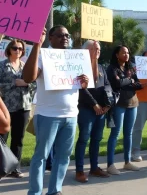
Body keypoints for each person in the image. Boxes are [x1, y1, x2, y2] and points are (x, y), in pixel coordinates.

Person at [23, 26, 90, 195]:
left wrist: (85, 81)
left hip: (71, 115)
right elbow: (28, 78)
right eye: (61, 35)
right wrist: (37, 45)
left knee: (64, 156)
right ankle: (35, 192)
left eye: (67, 35)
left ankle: (54, 190)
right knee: (41, 157)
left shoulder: (74, 58)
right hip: (47, 115)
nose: (65, 38)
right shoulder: (43, 56)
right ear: (50, 38)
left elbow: (84, 84)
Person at [74, 40, 112, 183]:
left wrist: (107, 105)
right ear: (86, 51)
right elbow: (81, 89)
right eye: (94, 48)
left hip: (101, 110)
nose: (98, 51)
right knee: (84, 139)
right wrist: (94, 104)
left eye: (99, 49)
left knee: (96, 139)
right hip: (86, 109)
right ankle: (79, 170)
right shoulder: (80, 67)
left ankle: (94, 167)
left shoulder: (102, 68)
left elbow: (107, 86)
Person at [0, 39, 36, 178]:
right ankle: (2, 166)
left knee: (18, 139)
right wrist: (13, 83)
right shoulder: (2, 66)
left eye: (21, 49)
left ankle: (15, 168)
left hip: (24, 107)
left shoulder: (25, 66)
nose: (18, 51)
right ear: (9, 49)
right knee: (2, 139)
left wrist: (26, 84)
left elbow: (34, 84)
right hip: (6, 107)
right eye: (15, 48)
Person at [106, 45, 142, 175]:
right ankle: (110, 164)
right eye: (123, 52)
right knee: (115, 134)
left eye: (127, 52)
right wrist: (130, 81)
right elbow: (117, 84)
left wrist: (128, 81)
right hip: (119, 105)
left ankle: (127, 162)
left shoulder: (130, 68)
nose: (126, 55)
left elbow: (139, 85)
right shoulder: (112, 69)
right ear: (117, 54)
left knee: (129, 134)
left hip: (133, 104)